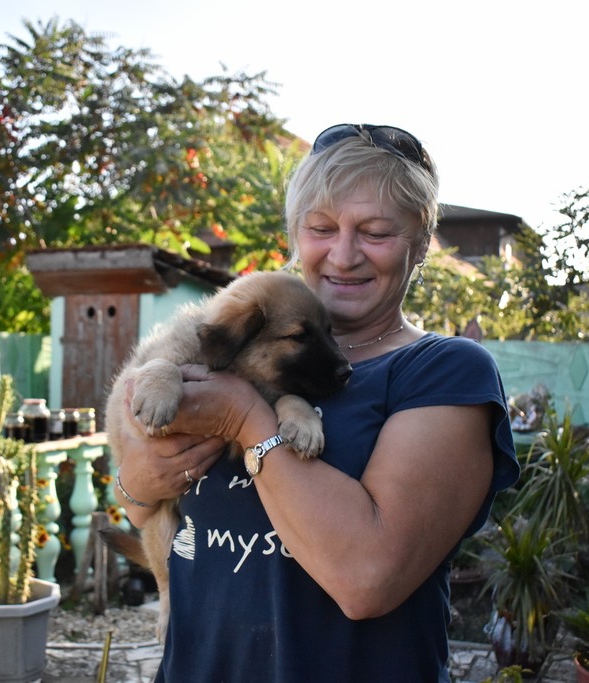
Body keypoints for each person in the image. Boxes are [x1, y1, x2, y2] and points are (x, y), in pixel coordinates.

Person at [112, 123, 520, 682]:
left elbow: (366, 581)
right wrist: (137, 482)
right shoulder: (244, 343)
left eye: (376, 232)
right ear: (295, 235)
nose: (344, 255)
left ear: (422, 243)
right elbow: (143, 505)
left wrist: (248, 420)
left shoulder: (445, 372)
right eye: (321, 228)